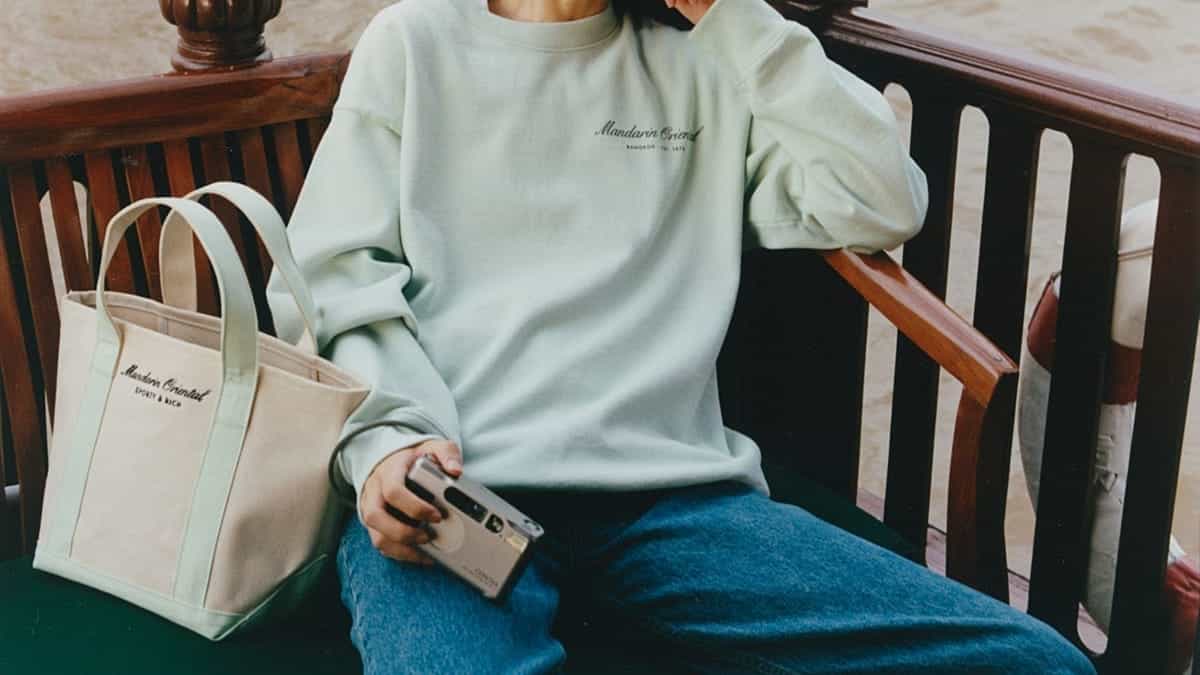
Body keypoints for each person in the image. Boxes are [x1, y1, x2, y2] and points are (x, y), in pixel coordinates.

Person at [265, 0, 1097, 672]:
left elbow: (885, 199)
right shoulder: (413, 43)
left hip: (673, 509)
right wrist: (388, 445)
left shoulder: (708, 60)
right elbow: (332, 279)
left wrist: (735, 19)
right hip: (452, 499)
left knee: (1036, 662)